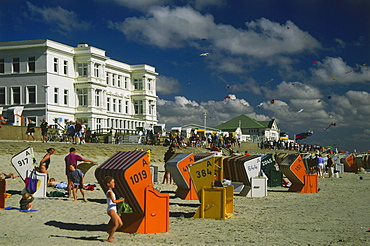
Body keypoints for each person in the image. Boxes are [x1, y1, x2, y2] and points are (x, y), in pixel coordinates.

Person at [104, 176, 125, 242]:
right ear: (108, 184)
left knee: (120, 224)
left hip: (114, 209)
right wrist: (121, 200)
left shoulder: (111, 191)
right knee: (116, 224)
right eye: (112, 182)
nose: (114, 184)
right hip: (111, 209)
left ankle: (110, 231)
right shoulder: (109, 192)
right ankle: (109, 238)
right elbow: (113, 201)